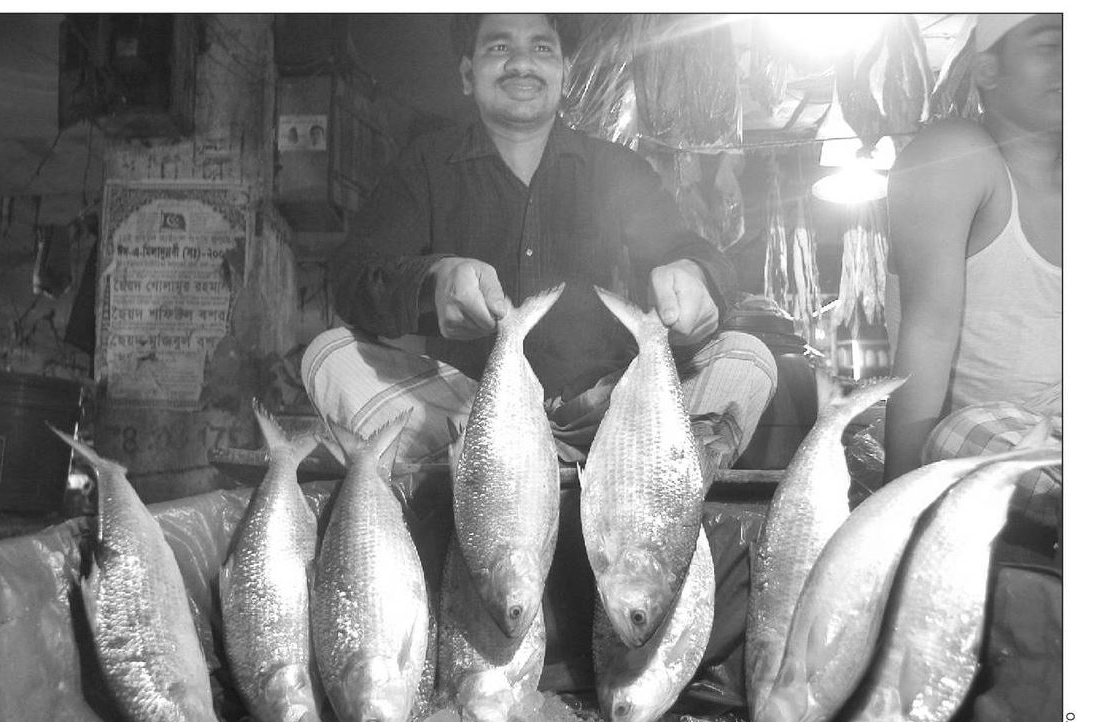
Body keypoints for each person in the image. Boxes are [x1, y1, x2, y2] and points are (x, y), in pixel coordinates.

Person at [301, 13, 776, 484]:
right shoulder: (425, 165)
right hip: (469, 417)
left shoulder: (618, 169)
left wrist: (695, 275)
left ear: (564, 72)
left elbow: (687, 248)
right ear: (468, 74)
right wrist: (433, 280)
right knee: (328, 356)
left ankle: (622, 479)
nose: (522, 63)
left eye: (541, 47)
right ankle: (520, 478)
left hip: (614, 417)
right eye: (499, 47)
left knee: (748, 358)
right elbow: (352, 274)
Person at [883, 13, 1061, 530]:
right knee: (962, 432)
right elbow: (928, 332)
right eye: (1050, 46)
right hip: (984, 440)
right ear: (988, 71)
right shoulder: (956, 155)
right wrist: (896, 511)